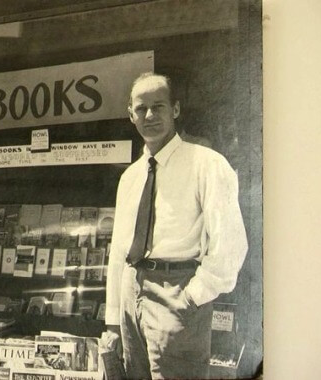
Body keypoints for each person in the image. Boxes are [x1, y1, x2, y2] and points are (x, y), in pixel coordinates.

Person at [104, 73, 248, 379]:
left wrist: (192, 297)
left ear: (176, 110)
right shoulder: (130, 177)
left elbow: (231, 243)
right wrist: (113, 318)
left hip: (178, 295)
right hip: (131, 296)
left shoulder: (207, 164)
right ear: (131, 115)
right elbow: (119, 251)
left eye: (159, 106)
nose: (150, 115)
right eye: (141, 109)